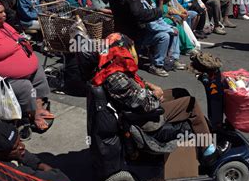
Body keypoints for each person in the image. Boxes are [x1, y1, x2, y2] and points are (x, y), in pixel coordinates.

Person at [92, 33, 227, 166]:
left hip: (142, 106)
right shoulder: (116, 78)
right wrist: (155, 95)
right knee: (190, 104)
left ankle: (203, 129)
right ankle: (209, 151)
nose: (133, 52)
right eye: (130, 48)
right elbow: (145, 104)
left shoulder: (114, 67)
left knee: (180, 92)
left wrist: (150, 86)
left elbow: (135, 84)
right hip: (145, 119)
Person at [0, 0, 54, 131]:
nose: (5, 14)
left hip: (28, 70)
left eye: (4, 11)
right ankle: (33, 115)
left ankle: (39, 106)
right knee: (25, 86)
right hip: (5, 79)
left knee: (39, 72)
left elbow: (17, 39)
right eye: (0, 12)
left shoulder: (4, 26)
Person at [109, 0, 168, 77]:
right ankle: (156, 66)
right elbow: (139, 14)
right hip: (134, 33)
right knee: (163, 36)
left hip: (121, 29)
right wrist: (158, 10)